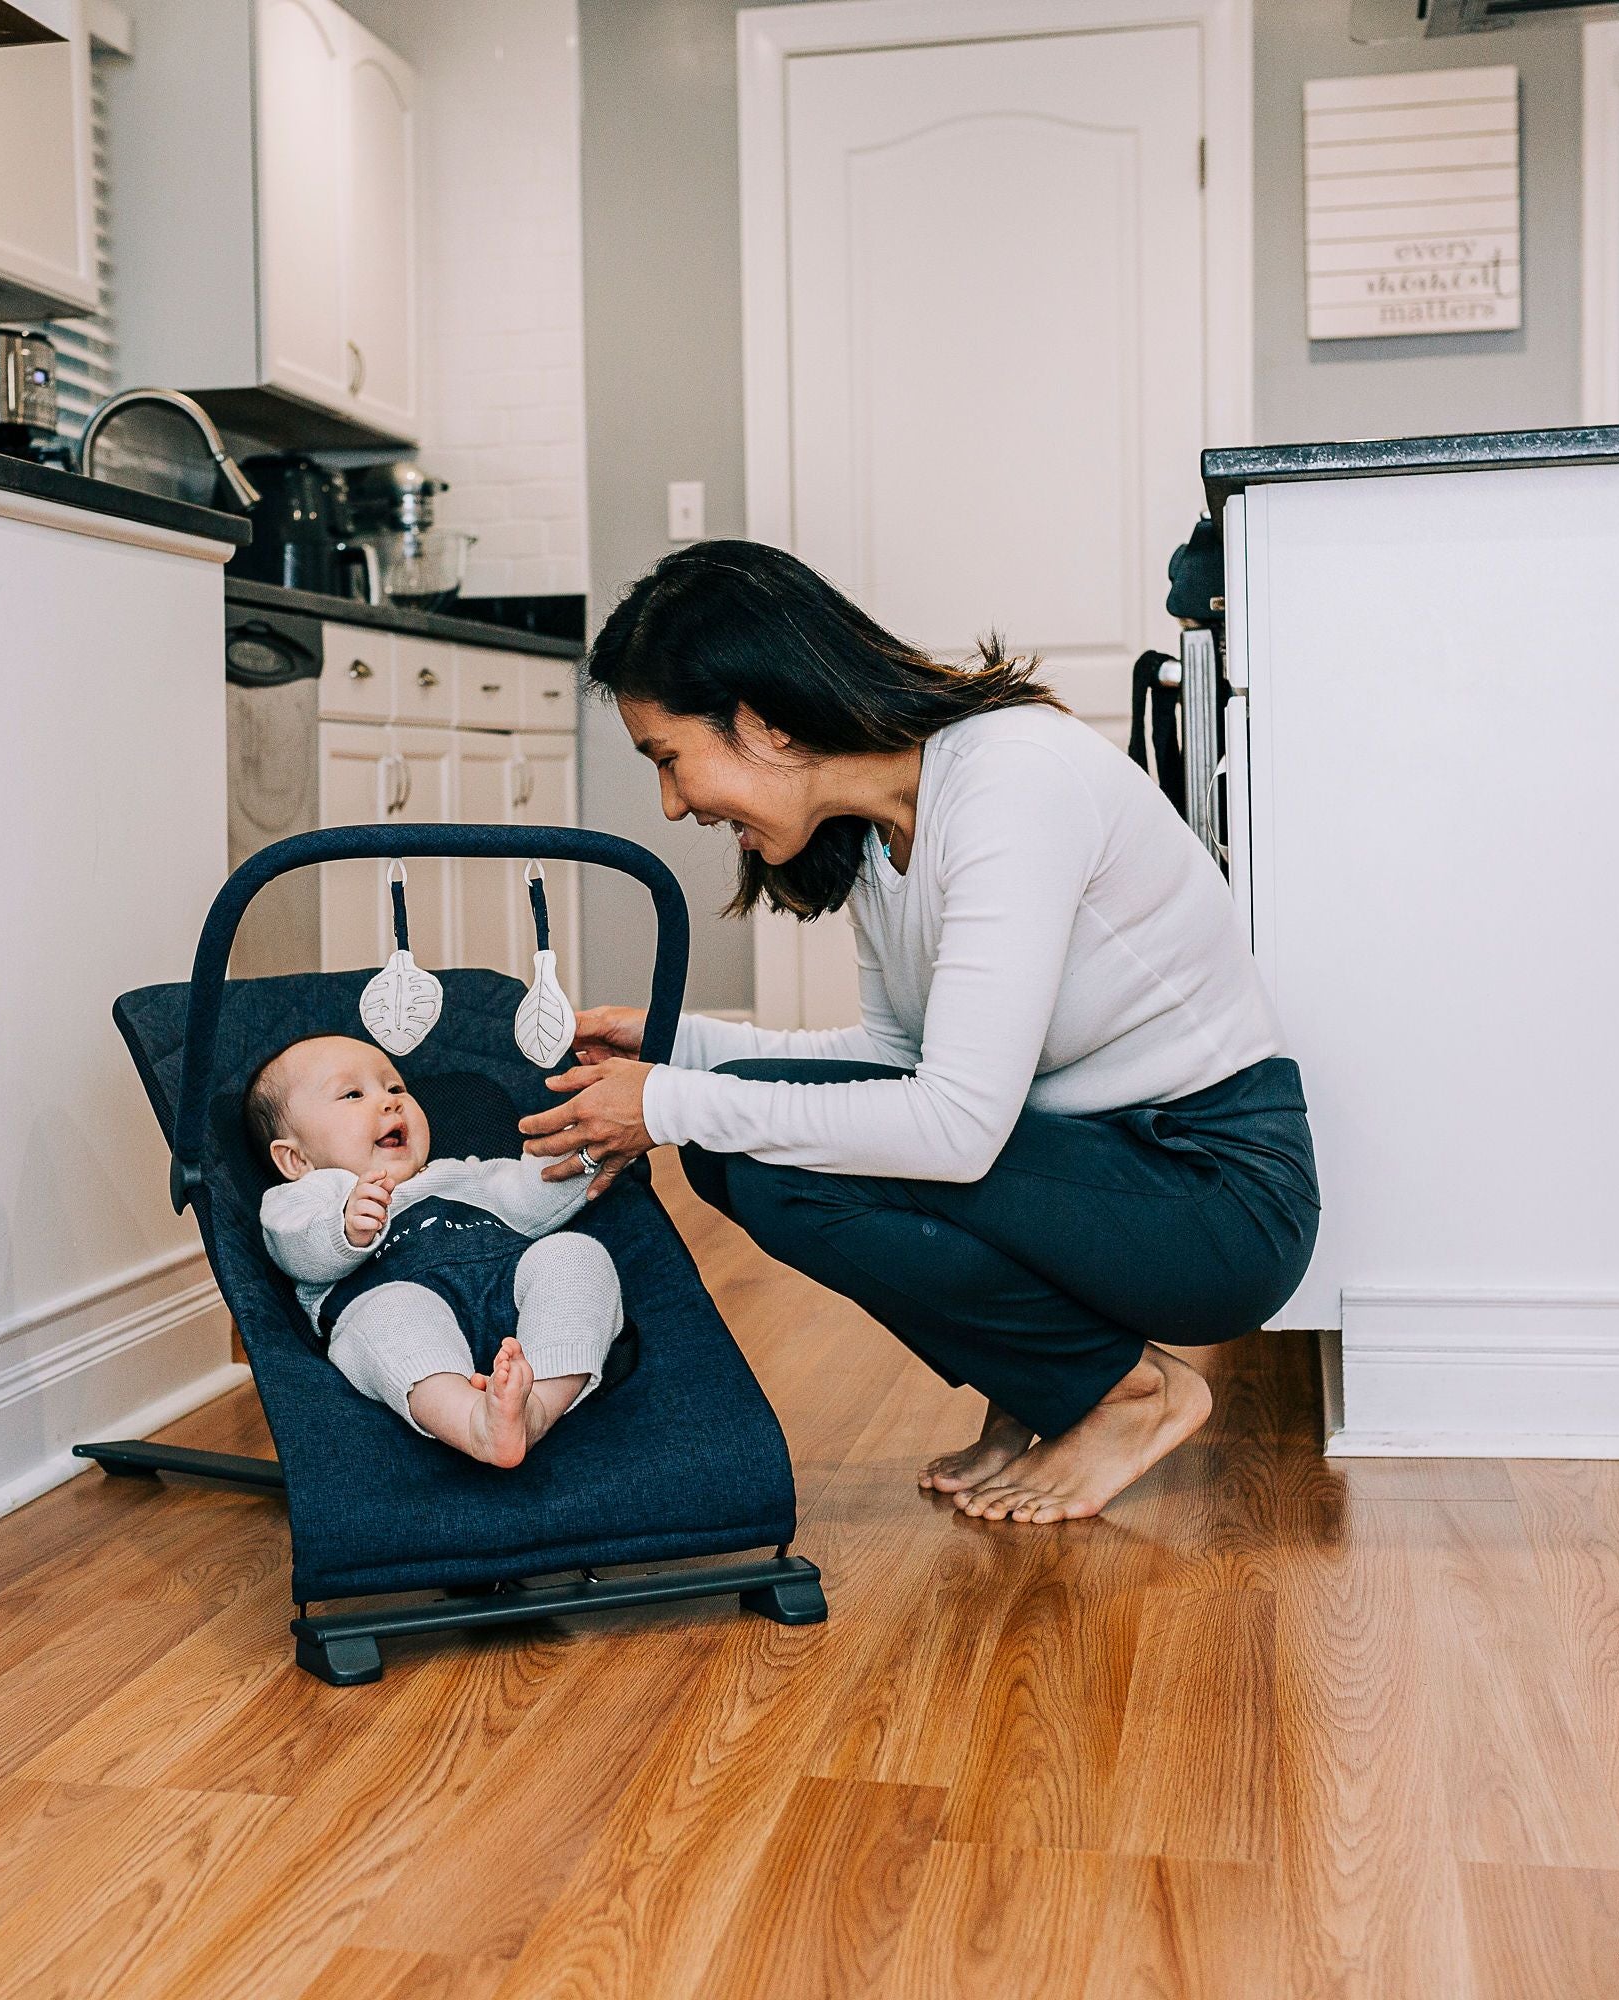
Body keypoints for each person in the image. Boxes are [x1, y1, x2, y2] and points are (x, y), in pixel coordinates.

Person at [518, 541, 1318, 1524]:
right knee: (736, 1153)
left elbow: (956, 1124)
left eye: (669, 759)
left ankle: (1123, 1392)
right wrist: (678, 1048)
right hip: (1104, 1169)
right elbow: (897, 1067)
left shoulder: (1009, 781)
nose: (673, 803)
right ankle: (1053, 1383)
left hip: (1218, 1199)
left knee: (762, 1155)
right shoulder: (881, 832)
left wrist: (671, 1101)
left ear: (765, 721)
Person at [250, 1033, 621, 1466]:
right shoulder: (309, 1195)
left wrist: (591, 1145)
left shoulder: (460, 1175)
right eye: (352, 1094)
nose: (389, 1103)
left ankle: (537, 1406)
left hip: (512, 1307)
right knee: (393, 1311)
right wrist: (344, 1228)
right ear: (295, 1160)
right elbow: (294, 1246)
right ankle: (475, 1423)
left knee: (575, 1255)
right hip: (405, 1318)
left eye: (395, 1088)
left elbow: (532, 1191)